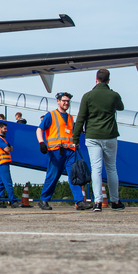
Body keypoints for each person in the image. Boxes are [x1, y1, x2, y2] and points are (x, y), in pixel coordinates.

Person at [74, 69, 125, 212]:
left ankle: (97, 202)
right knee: (111, 169)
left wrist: (75, 138)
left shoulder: (88, 96)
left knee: (96, 169)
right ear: (108, 80)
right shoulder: (113, 95)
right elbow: (121, 107)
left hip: (92, 136)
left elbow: (80, 118)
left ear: (95, 79)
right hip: (109, 136)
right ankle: (115, 201)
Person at [35, 92, 88, 210]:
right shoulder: (51, 115)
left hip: (70, 151)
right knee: (53, 176)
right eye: (64, 101)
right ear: (58, 101)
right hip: (56, 151)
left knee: (74, 176)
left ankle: (79, 202)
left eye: (68, 101)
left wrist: (76, 144)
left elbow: (71, 133)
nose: (66, 103)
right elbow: (39, 129)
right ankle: (43, 200)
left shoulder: (70, 117)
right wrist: (41, 143)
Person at [0, 123, 20, 208]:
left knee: (0, 184)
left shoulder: (2, 139)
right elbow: (8, 149)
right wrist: (8, 147)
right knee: (8, 183)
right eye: (5, 128)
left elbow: (10, 148)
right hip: (2, 163)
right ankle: (13, 202)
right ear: (0, 128)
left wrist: (8, 147)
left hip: (1, 164)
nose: (6, 130)